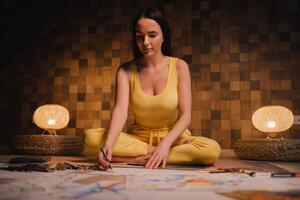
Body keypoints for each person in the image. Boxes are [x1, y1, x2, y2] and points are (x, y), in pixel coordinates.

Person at [94, 7, 221, 170]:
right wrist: (108, 145)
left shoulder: (180, 66)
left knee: (211, 150)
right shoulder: (125, 71)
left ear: (164, 37)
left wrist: (165, 144)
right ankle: (155, 156)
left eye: (152, 35)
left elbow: (186, 115)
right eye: (140, 37)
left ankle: (140, 158)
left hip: (174, 139)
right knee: (92, 138)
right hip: (138, 140)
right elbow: (120, 111)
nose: (145, 42)